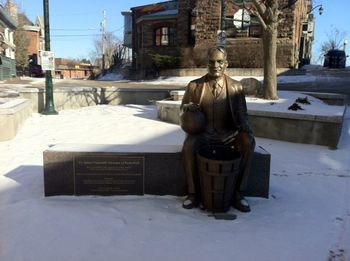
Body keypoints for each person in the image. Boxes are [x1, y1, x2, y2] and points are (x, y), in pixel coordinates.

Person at [180, 46, 255, 212]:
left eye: (220, 61)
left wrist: (244, 125)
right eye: (212, 61)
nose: (216, 65)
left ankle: (238, 193)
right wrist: (187, 109)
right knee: (188, 145)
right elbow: (181, 110)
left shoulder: (236, 87)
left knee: (248, 142)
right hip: (203, 135)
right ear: (207, 63)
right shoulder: (194, 86)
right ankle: (193, 193)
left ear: (226, 64)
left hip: (228, 134)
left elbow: (242, 112)